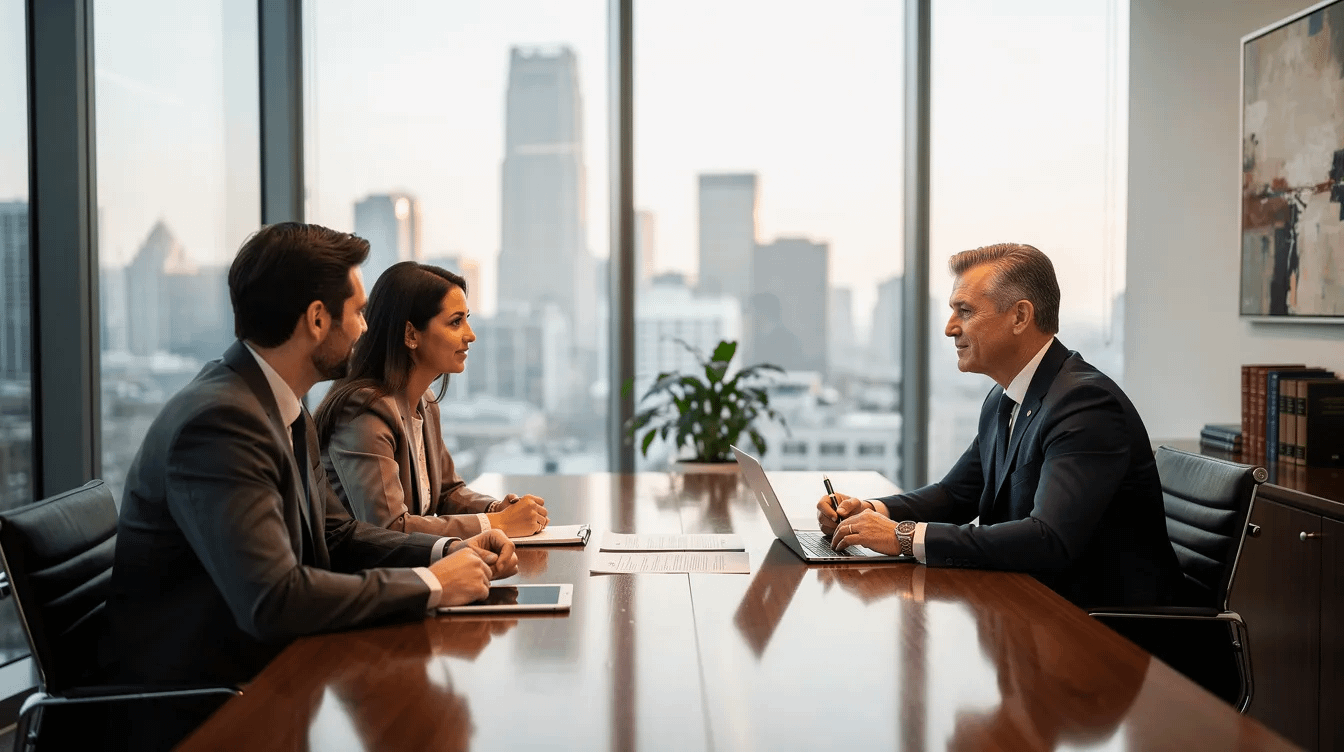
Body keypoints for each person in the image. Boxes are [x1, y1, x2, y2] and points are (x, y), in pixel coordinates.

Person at [108, 223, 518, 701]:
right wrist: (430, 584)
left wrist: (446, 553)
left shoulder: (281, 406)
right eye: (359, 312)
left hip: (270, 673)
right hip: (202, 703)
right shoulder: (221, 423)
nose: (366, 327)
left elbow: (336, 533)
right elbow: (274, 600)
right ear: (318, 320)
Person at [819, 242, 1181, 608]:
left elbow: (1049, 539)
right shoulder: (1003, 397)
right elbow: (956, 495)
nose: (949, 328)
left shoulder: (1086, 405)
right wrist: (870, 511)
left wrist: (903, 536)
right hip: (1032, 610)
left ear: (1020, 317)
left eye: (965, 311)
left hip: (1107, 631)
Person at [315, 261, 549, 538]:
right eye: (455, 322)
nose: (470, 335)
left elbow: (447, 492)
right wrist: (498, 524)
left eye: (467, 319)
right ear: (411, 334)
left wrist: (497, 509)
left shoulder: (424, 402)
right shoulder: (365, 412)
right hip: (362, 576)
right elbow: (389, 528)